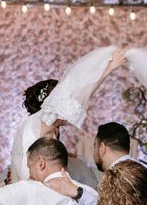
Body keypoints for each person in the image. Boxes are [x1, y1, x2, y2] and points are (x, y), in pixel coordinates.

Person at [10, 49, 126, 184]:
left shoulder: (46, 125)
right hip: (33, 185)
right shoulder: (43, 118)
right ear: (53, 102)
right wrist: (109, 68)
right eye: (65, 100)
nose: (70, 103)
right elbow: (83, 94)